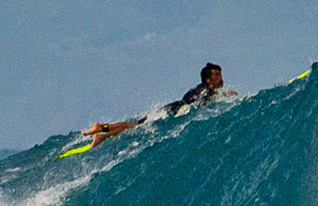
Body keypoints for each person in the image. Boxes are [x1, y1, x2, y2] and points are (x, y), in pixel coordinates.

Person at [77, 62, 228, 149]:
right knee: (134, 126)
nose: (220, 78)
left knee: (134, 125)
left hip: (172, 108)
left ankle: (101, 134)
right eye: (217, 75)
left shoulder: (202, 88)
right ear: (208, 79)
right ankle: (100, 128)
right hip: (172, 111)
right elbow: (199, 103)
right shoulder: (206, 90)